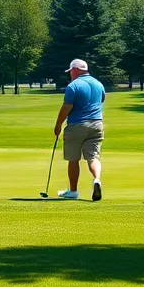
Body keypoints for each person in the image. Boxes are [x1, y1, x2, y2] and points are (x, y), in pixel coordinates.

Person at [52, 58, 105, 201]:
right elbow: (101, 101)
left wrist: (58, 126)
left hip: (77, 125)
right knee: (93, 157)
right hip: (97, 124)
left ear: (76, 70)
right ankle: (97, 179)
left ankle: (73, 191)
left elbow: (66, 108)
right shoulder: (99, 84)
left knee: (73, 159)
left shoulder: (73, 86)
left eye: (71, 71)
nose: (70, 74)